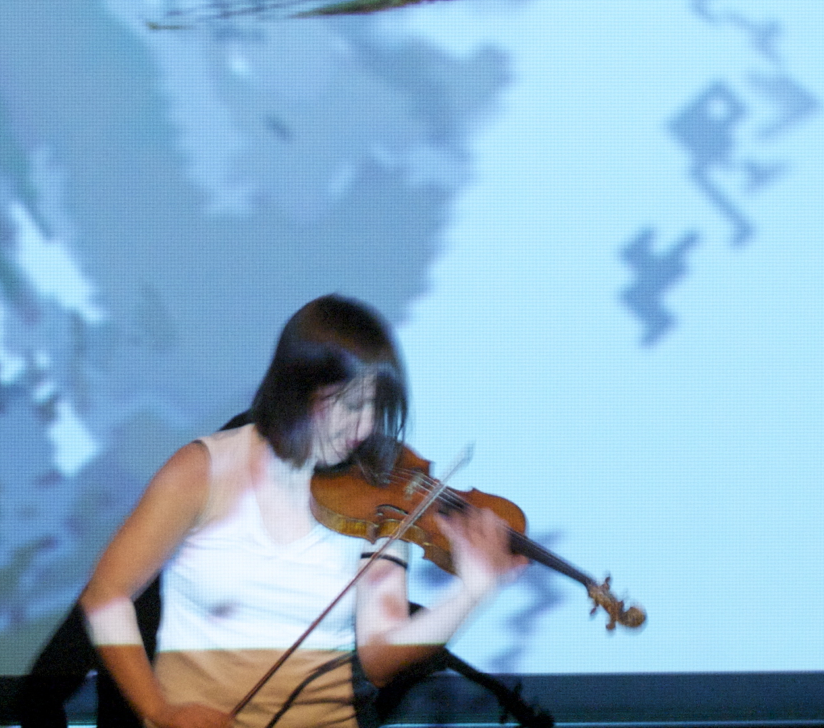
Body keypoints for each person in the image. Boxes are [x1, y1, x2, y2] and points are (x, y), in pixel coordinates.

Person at [78, 296, 521, 728]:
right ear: (301, 388)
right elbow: (105, 595)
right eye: (352, 405)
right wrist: (159, 711)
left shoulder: (376, 493)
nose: (367, 426)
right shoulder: (204, 470)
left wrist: (472, 593)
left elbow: (380, 658)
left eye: (376, 407)